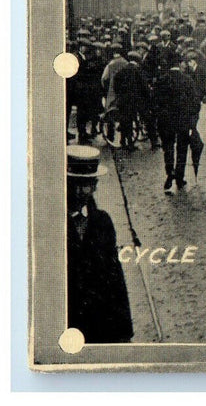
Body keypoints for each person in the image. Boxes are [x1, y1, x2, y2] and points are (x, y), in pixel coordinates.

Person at [66, 145, 134, 343]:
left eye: (85, 184)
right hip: (71, 324)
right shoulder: (54, 223)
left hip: (102, 322)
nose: (79, 191)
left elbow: (115, 275)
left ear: (94, 185)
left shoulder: (102, 221)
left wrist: (124, 330)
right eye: (73, 184)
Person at [154, 52, 204, 191]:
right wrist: (191, 120)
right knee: (182, 149)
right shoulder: (187, 80)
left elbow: (154, 101)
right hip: (183, 121)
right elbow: (196, 102)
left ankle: (170, 172)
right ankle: (180, 177)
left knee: (168, 148)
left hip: (165, 121)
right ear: (179, 64)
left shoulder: (161, 80)